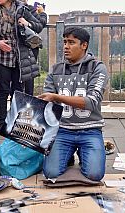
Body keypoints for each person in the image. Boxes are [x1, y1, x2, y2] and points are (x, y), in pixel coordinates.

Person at [39, 27, 109, 181]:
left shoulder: (97, 67)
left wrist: (57, 97)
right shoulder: (55, 69)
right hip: (63, 131)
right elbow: (47, 103)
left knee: (94, 175)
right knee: (51, 173)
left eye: (71, 42)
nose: (66, 46)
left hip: (90, 130)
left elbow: (92, 102)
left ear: (84, 45)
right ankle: (68, 154)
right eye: (64, 42)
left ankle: (83, 153)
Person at [0, 0, 44, 132]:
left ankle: (14, 121)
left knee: (17, 91)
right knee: (2, 91)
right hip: (2, 58)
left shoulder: (23, 9)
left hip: (20, 58)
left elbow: (40, 25)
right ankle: (0, 123)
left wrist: (28, 23)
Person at [20, 0, 47, 96]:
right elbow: (41, 23)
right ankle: (29, 98)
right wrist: (42, 13)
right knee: (29, 74)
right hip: (30, 45)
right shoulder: (28, 8)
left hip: (20, 45)